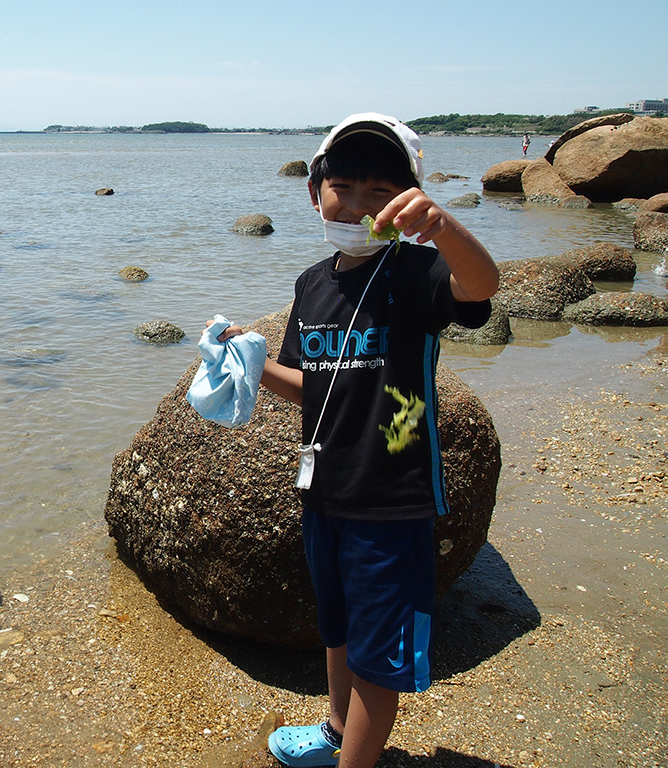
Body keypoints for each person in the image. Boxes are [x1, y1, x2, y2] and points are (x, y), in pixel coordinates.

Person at [212, 113, 498, 768]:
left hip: (392, 505)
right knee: (336, 630)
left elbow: (481, 288)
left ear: (407, 203)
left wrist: (445, 228)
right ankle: (338, 733)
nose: (359, 204)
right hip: (324, 494)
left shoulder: (418, 274)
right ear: (315, 193)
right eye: (344, 186)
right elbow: (311, 385)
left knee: (379, 663)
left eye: (382, 192)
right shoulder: (311, 284)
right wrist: (250, 360)